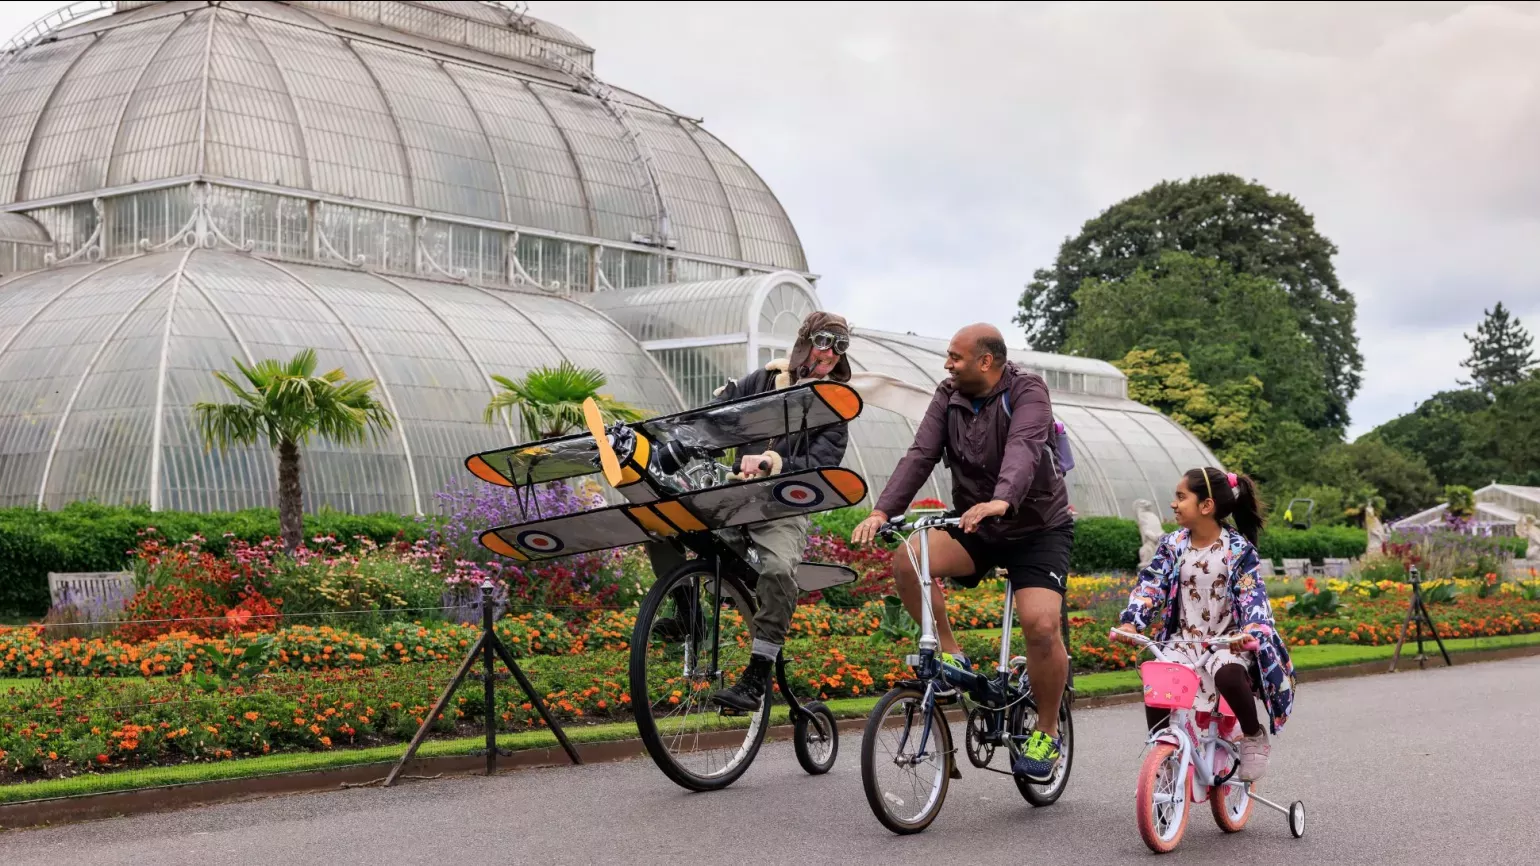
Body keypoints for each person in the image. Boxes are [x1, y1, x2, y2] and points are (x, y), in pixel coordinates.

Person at [851, 323, 1075, 784]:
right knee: (910, 558)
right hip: (977, 520)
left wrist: (1003, 498)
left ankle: (1047, 732)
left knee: (1041, 626)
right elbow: (920, 454)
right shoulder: (948, 394)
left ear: (986, 362)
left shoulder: (1028, 390)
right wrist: (881, 511)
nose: (948, 365)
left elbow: (1024, 448)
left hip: (1037, 527)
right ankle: (953, 654)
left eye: (955, 357)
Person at [646, 312, 853, 713]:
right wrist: (684, 442)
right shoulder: (762, 382)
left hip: (784, 506)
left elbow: (824, 461)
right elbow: (715, 416)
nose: (830, 354)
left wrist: (772, 461)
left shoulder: (836, 404)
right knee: (658, 522)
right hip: (734, 500)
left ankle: (756, 678)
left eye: (840, 347)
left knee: (777, 571)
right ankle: (690, 613)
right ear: (805, 341)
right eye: (825, 341)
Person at [1114, 467, 1297, 782]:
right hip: (1185, 641)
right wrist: (1132, 623)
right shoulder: (1173, 545)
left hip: (1228, 641)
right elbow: (1151, 586)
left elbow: (1253, 597)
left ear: (1206, 506)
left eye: (1181, 497)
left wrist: (1250, 633)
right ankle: (1163, 752)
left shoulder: (1238, 550)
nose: (1174, 504)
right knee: (1160, 676)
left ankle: (1252, 735)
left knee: (1228, 673)